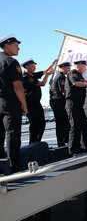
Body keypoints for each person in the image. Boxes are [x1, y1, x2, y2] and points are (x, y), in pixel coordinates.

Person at [0, 34, 27, 173]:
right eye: (16, 45)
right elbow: (17, 87)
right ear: (6, 45)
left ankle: (1, 166)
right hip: (10, 103)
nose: (19, 48)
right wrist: (24, 105)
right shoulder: (11, 62)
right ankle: (14, 167)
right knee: (13, 135)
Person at [21, 58, 56, 143]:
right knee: (35, 125)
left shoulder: (32, 75)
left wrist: (52, 64)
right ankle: (32, 144)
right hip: (30, 104)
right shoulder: (25, 77)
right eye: (33, 66)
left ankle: (37, 143)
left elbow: (44, 71)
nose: (35, 68)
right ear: (26, 66)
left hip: (37, 103)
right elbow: (42, 83)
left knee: (42, 124)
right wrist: (47, 75)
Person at [65, 59, 87, 155]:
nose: (86, 68)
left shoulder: (80, 76)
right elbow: (75, 83)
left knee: (83, 125)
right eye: (85, 66)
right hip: (72, 103)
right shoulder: (73, 73)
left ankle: (84, 146)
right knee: (75, 126)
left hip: (80, 103)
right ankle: (73, 149)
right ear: (79, 65)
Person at [49, 61, 71, 147]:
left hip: (57, 102)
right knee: (62, 123)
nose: (69, 70)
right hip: (59, 103)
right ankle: (63, 142)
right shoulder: (61, 77)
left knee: (62, 123)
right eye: (68, 68)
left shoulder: (60, 76)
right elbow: (64, 92)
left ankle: (62, 142)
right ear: (62, 68)